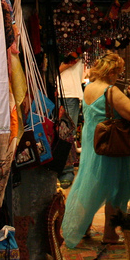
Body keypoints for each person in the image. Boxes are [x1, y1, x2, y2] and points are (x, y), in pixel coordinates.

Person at [61, 52, 130, 247]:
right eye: (118, 72)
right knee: (116, 188)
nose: (118, 76)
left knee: (90, 184)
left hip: (93, 142)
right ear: (112, 72)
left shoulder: (89, 87)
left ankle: (82, 227)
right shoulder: (111, 91)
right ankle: (110, 233)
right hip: (110, 146)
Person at [56, 54, 84, 187]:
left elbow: (73, 60)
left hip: (68, 92)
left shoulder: (74, 47)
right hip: (59, 91)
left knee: (67, 135)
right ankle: (61, 170)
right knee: (59, 134)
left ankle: (66, 171)